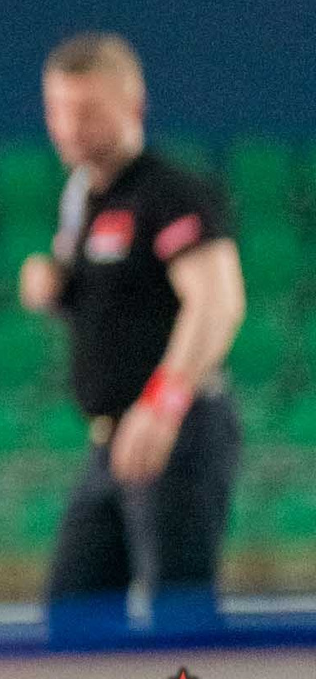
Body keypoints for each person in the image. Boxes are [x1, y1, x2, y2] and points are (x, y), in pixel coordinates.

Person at [17, 32, 246, 640]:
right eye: (57, 110)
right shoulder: (82, 201)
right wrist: (55, 288)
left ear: (133, 105)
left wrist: (163, 405)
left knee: (179, 620)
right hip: (109, 444)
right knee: (73, 617)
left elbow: (218, 303)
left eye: (86, 111)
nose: (67, 128)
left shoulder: (169, 192)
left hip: (176, 430)